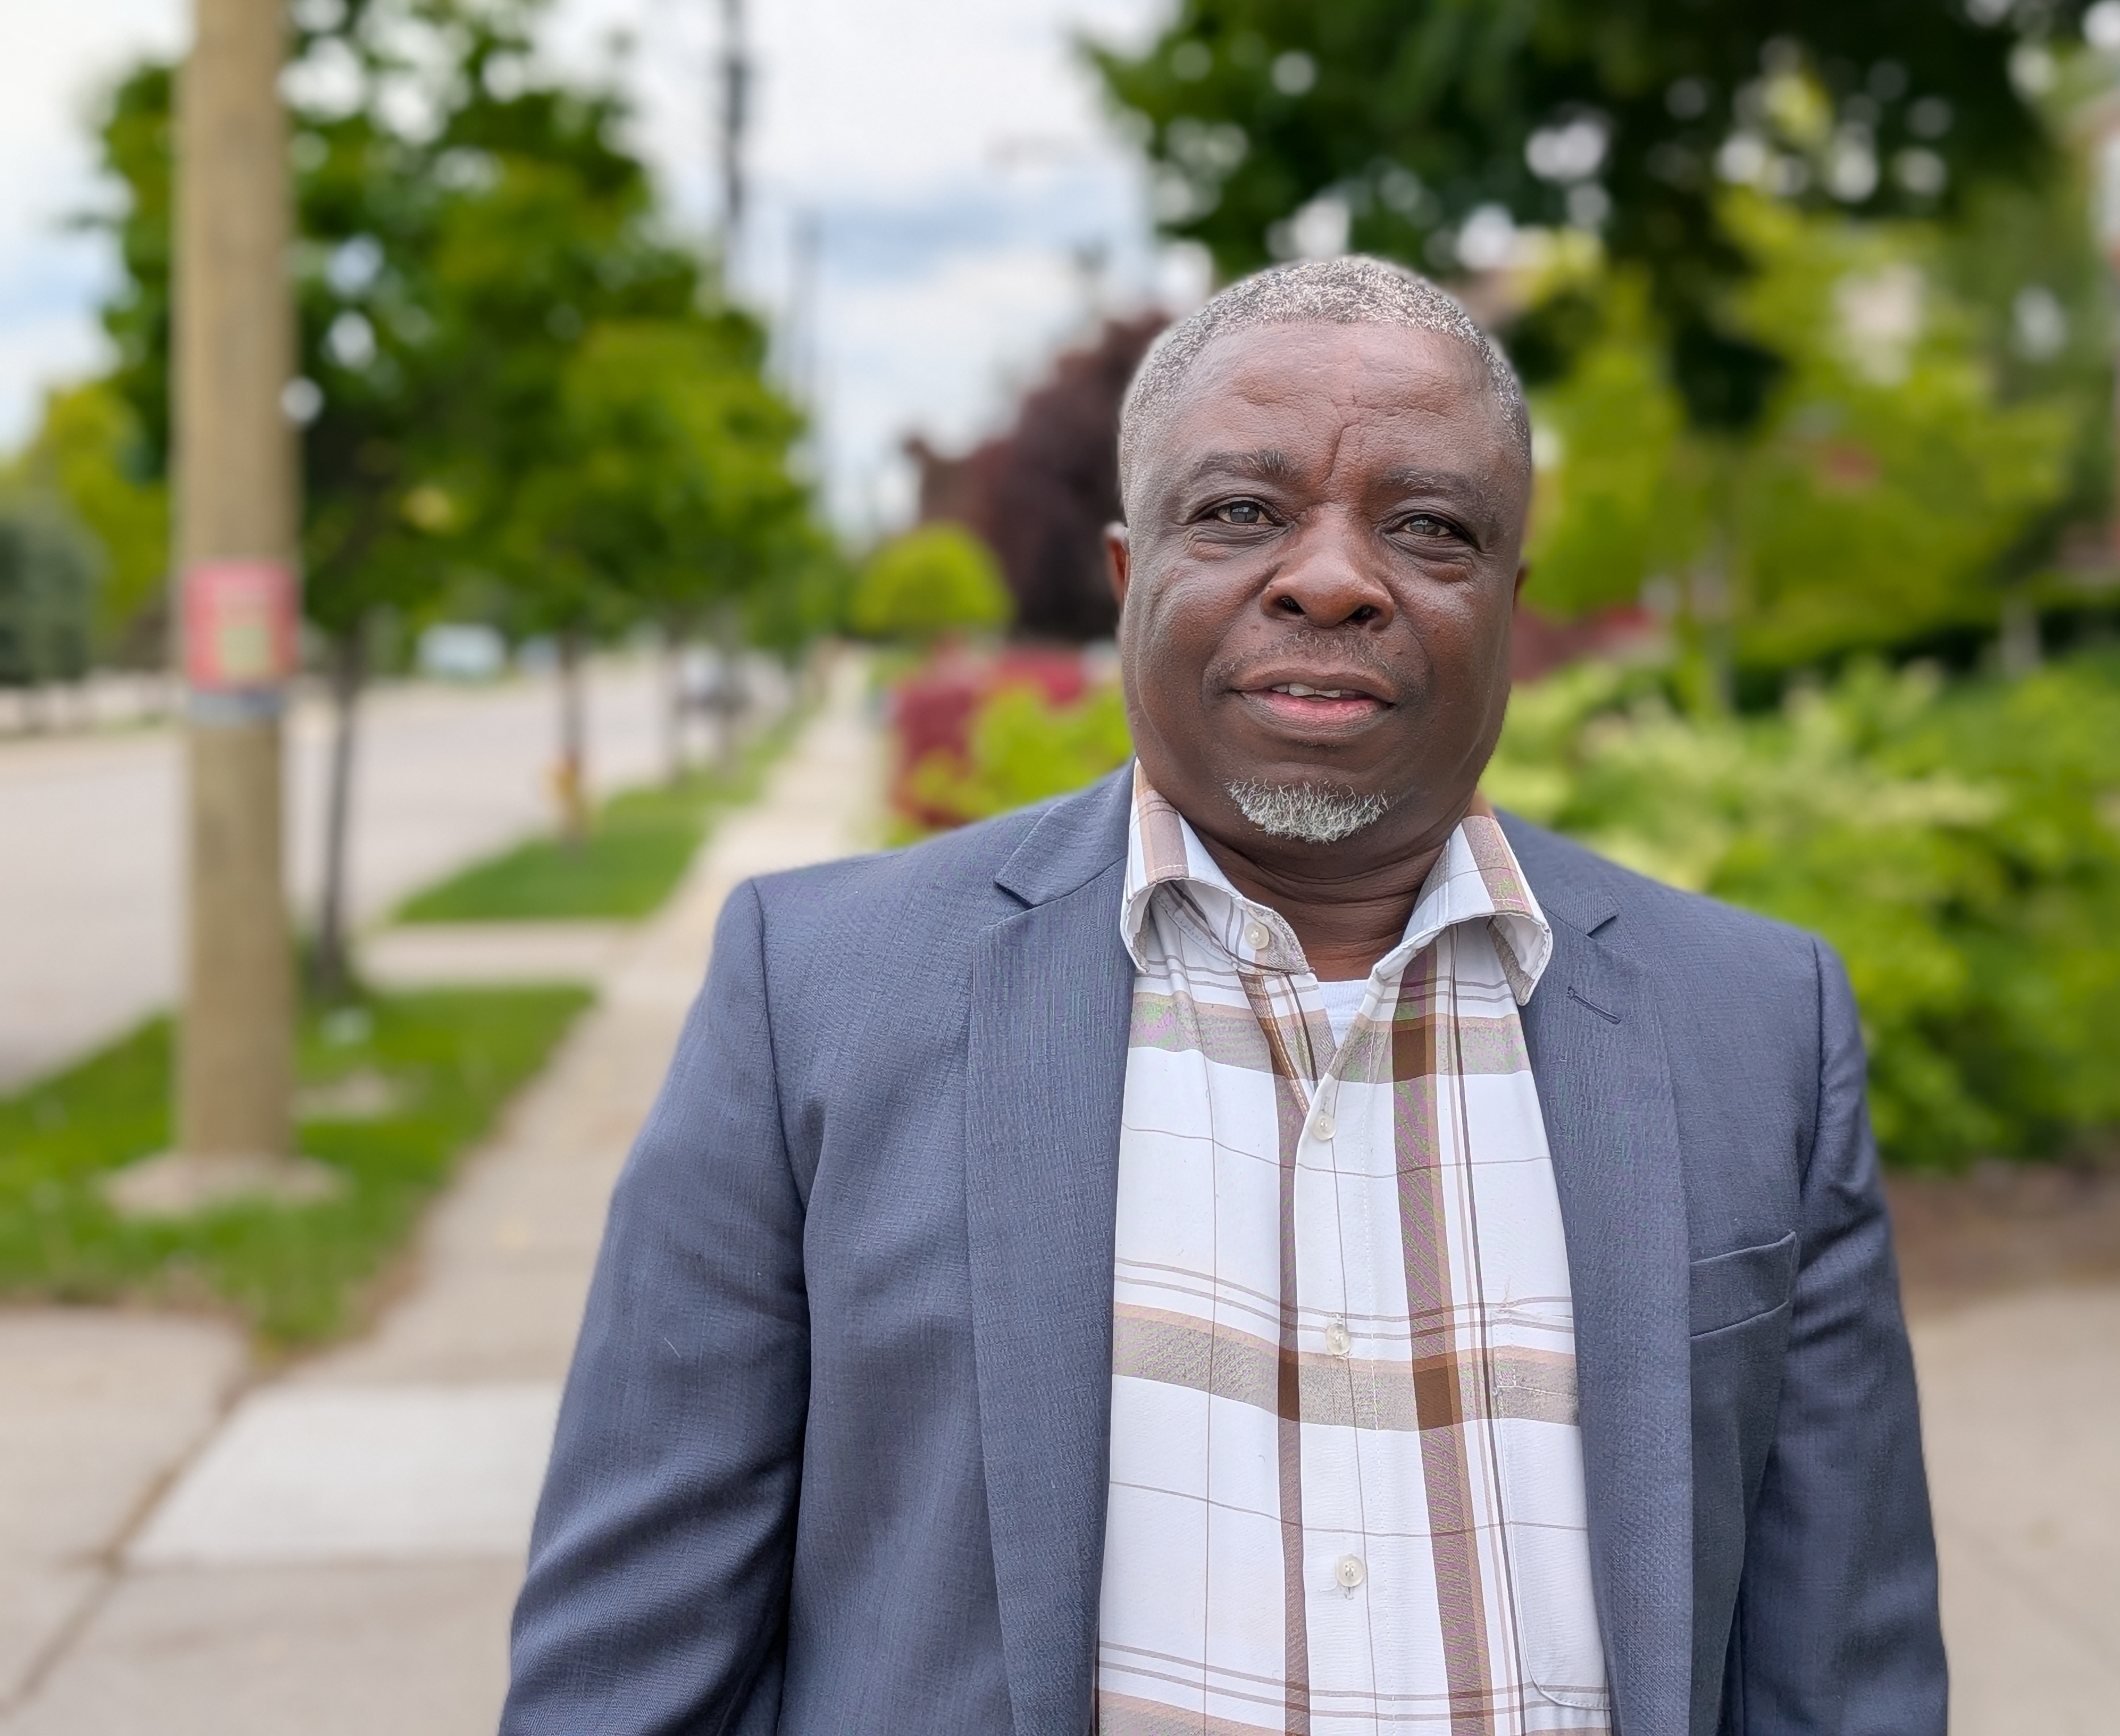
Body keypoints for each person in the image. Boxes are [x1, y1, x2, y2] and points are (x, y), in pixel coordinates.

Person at [500, 256, 1945, 1736]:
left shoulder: (1758, 1025)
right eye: (1243, 512)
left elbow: (1842, 1675)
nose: (1330, 576)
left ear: (1506, 603)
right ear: (1133, 579)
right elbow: (625, 1681)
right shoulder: (813, 999)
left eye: (1428, 526)